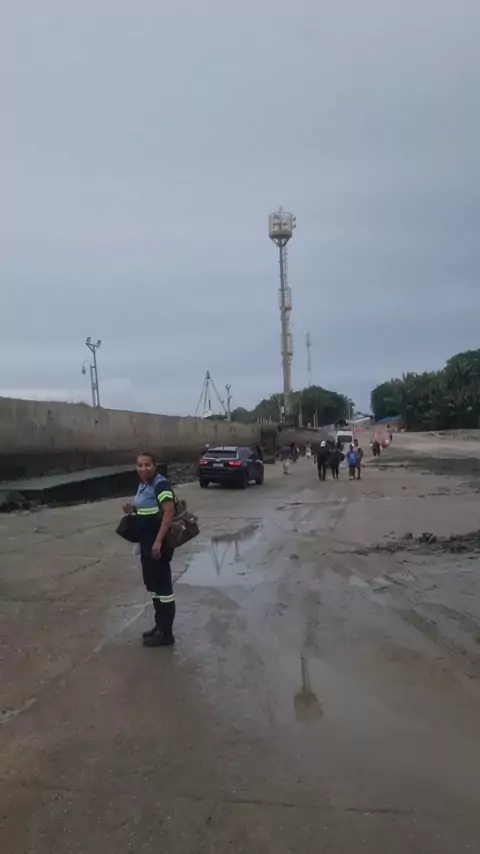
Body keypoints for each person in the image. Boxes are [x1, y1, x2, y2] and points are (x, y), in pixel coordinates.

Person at [123, 452, 176, 647]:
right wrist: (133, 510)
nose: (143, 469)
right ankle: (159, 625)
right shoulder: (144, 484)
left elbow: (169, 512)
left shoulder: (160, 484)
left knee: (163, 589)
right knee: (153, 586)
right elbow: (149, 510)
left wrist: (158, 541)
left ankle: (166, 633)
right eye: (140, 465)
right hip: (146, 543)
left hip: (156, 545)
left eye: (147, 465)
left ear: (155, 466)